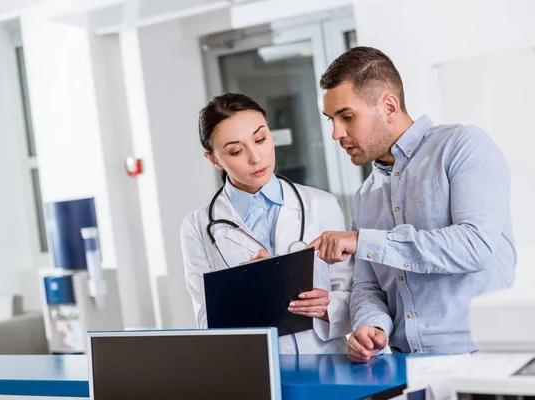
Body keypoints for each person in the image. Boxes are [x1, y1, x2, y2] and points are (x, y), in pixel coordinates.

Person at [308, 46, 516, 362]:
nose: (337, 133)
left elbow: (475, 245)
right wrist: (371, 324)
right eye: (331, 120)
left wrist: (365, 241)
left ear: (389, 105)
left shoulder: (462, 146)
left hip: (484, 362)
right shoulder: (366, 195)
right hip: (409, 367)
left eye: (347, 117)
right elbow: (368, 287)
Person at [180, 92, 353, 354]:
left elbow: (357, 295)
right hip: (254, 370)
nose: (256, 157)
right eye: (236, 150)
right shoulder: (197, 228)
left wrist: (328, 306)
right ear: (214, 160)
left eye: (260, 139)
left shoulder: (321, 204)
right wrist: (248, 290)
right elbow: (207, 323)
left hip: (328, 363)